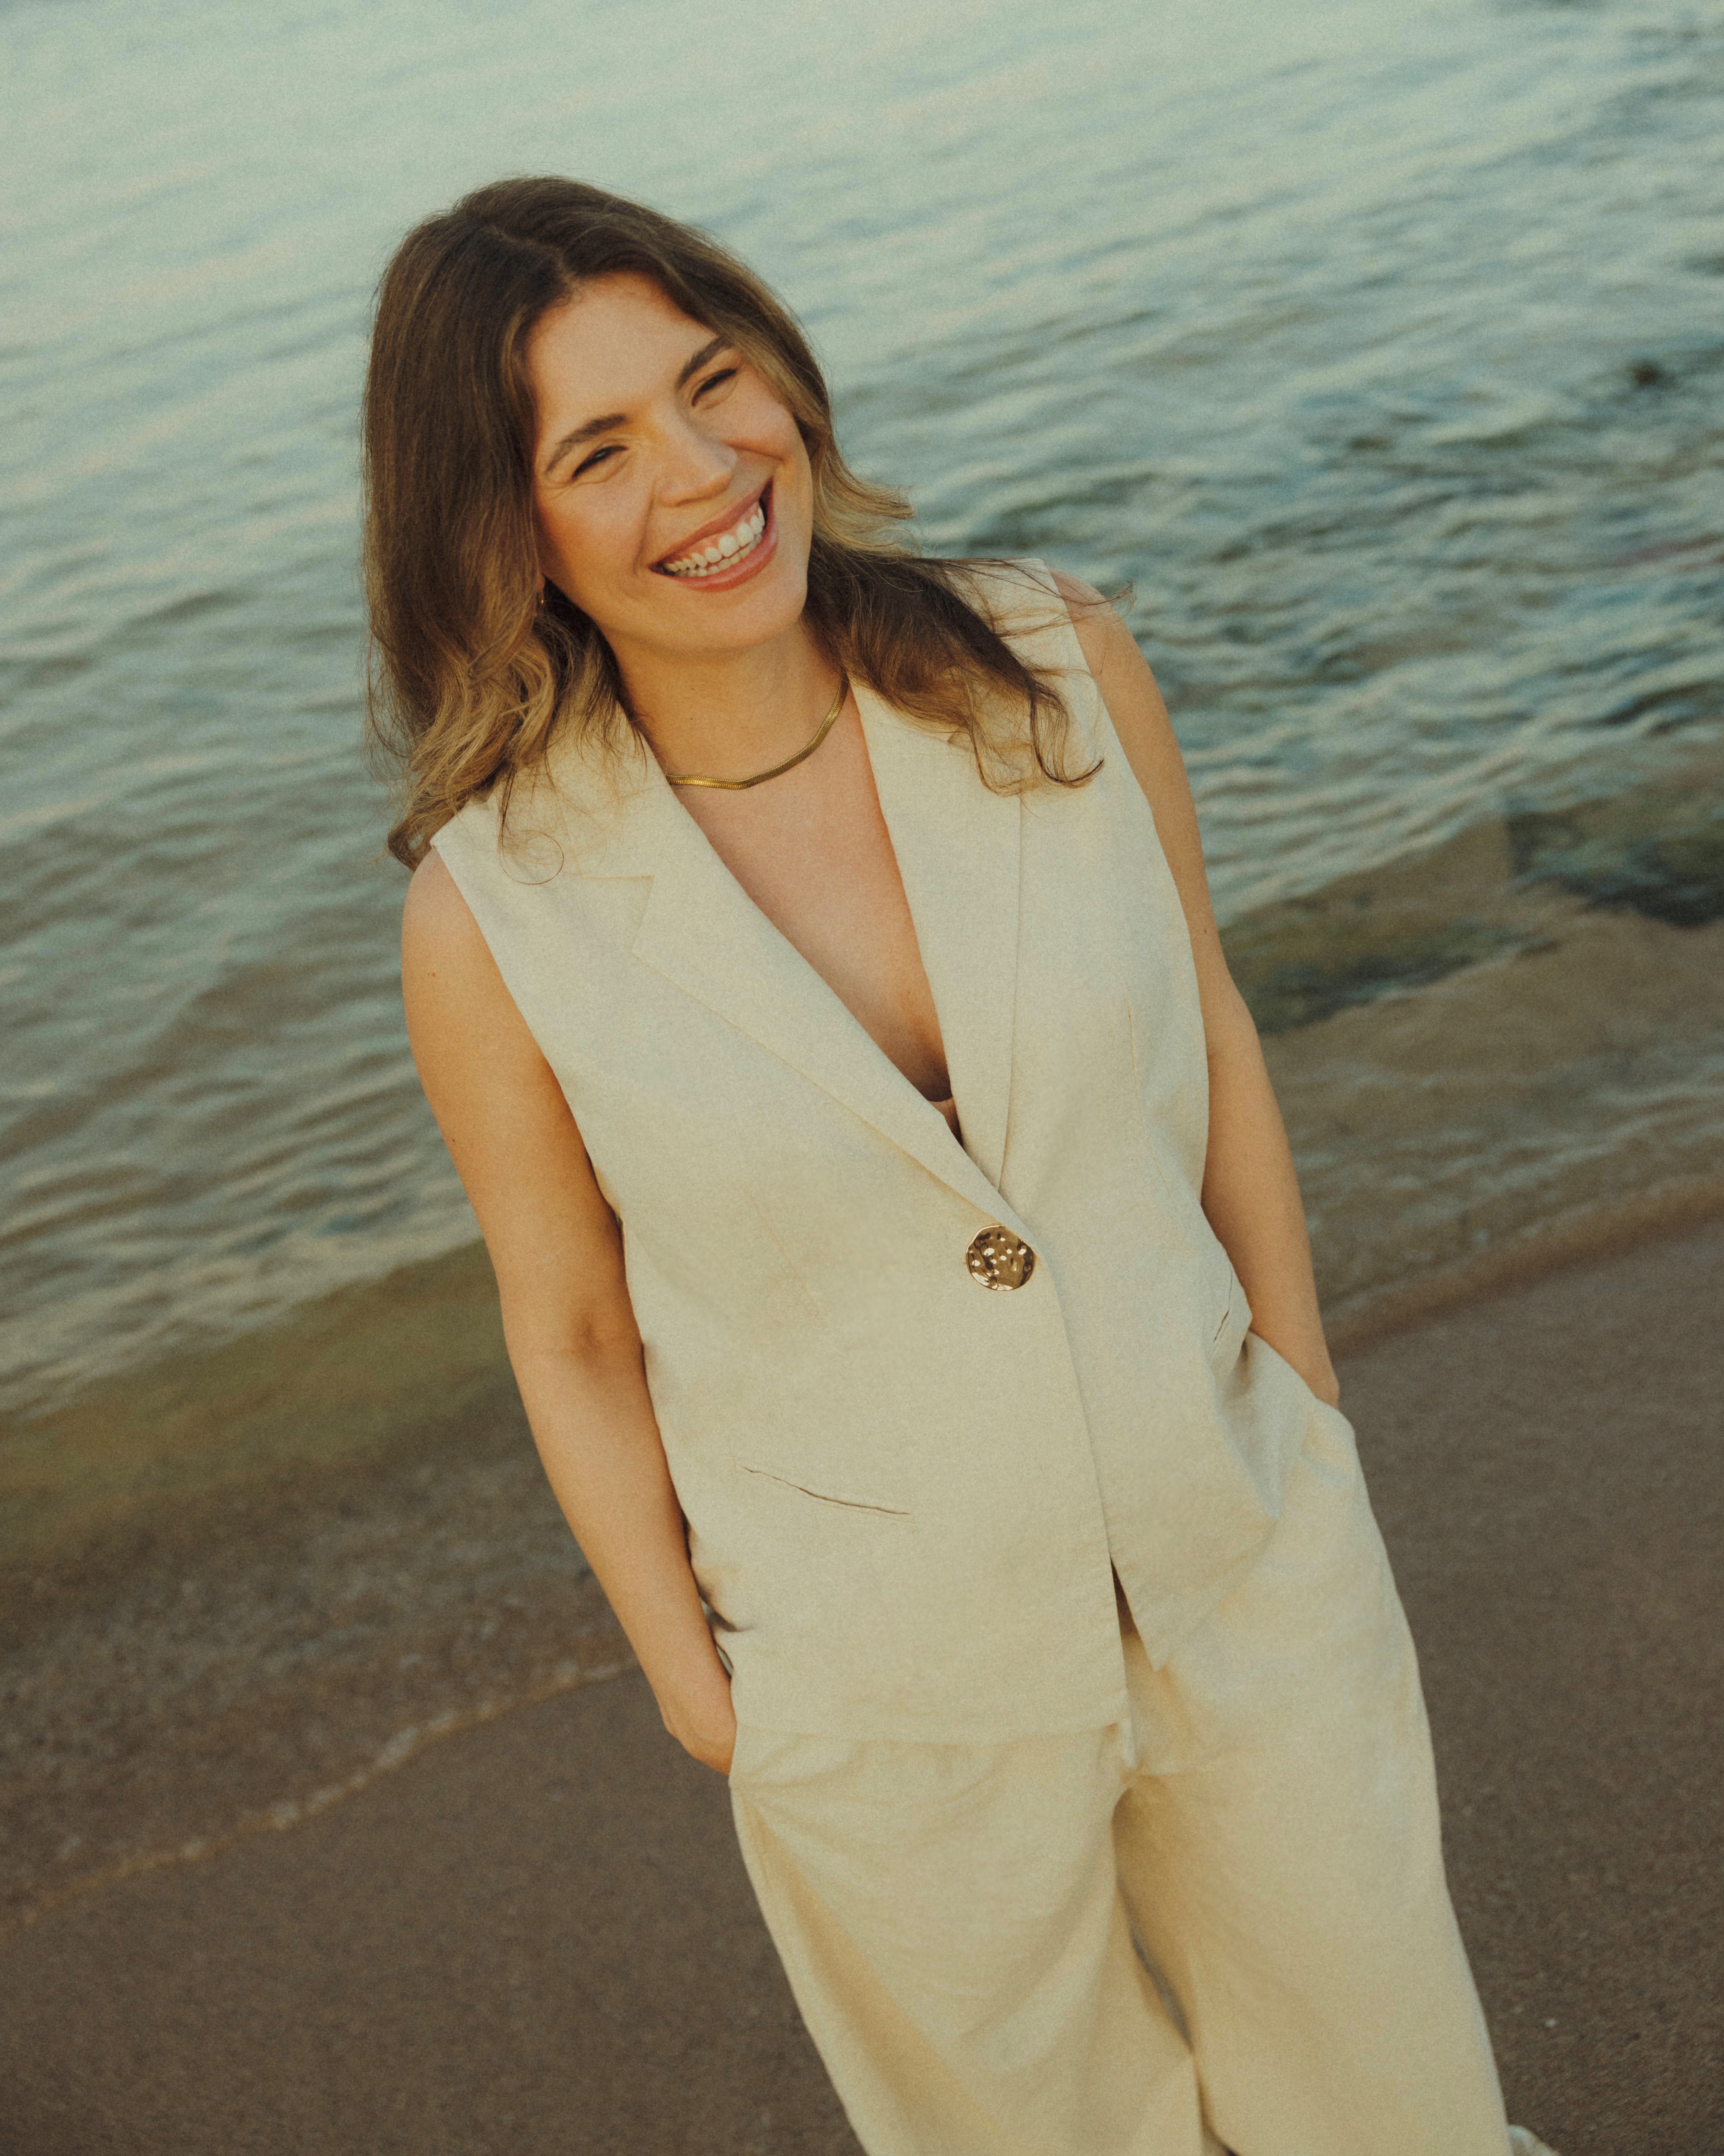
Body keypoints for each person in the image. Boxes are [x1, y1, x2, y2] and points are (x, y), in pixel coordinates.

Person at [366, 176, 1554, 2156]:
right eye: (598, 448)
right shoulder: (498, 916)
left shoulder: (1056, 661)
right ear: (511, 534)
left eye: (711, 379)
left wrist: (1297, 1390)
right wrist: (702, 1690)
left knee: (1399, 2112)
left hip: (1236, 1544)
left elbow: (1213, 1022)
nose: (704, 466)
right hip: (878, 1682)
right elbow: (567, 1328)